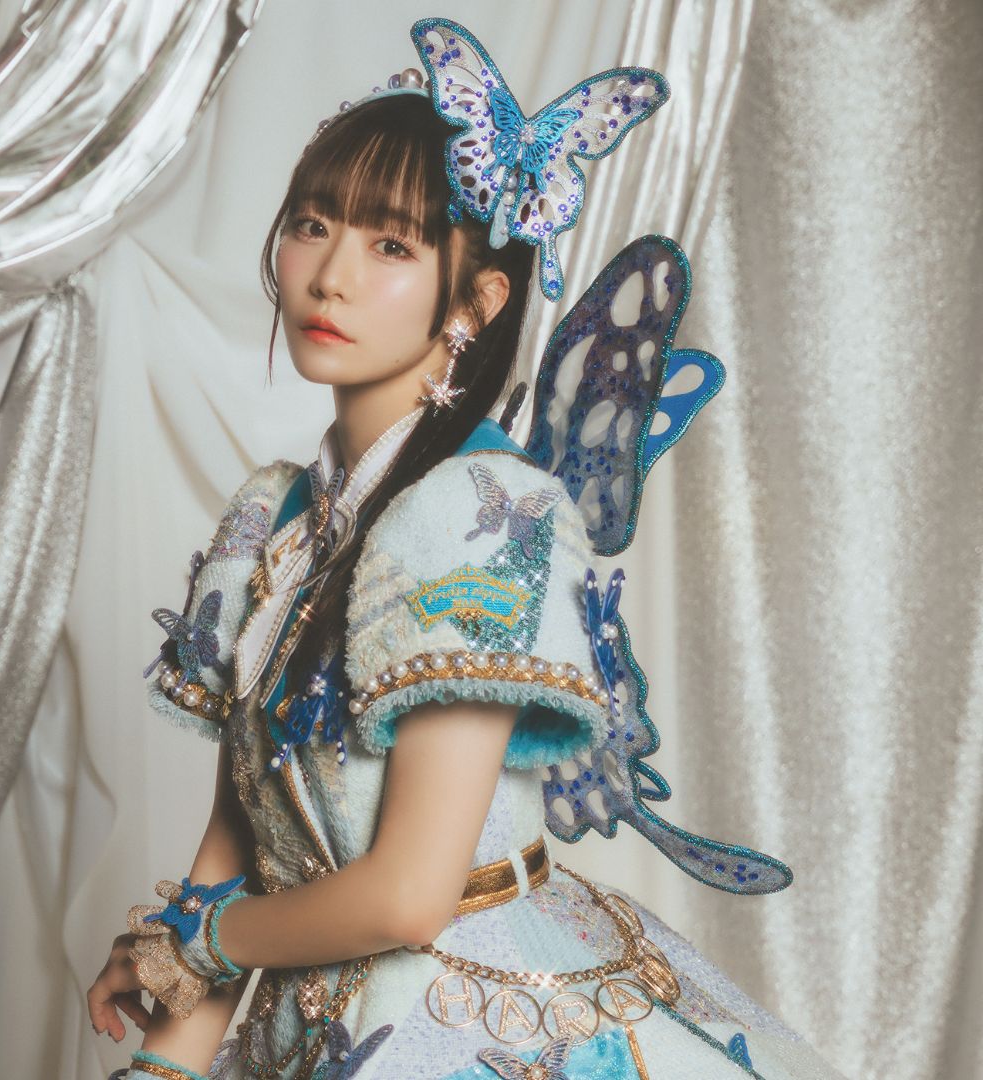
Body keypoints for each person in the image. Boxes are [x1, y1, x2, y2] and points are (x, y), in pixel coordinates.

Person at [88, 18, 845, 1080]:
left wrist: (198, 944)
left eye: (392, 245)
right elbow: (240, 836)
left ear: (478, 300)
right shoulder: (277, 516)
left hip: (460, 1015)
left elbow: (408, 895)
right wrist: (168, 1056)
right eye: (312, 225)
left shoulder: (479, 512)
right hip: (309, 1011)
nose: (331, 276)